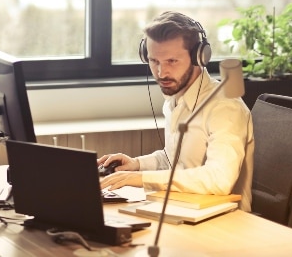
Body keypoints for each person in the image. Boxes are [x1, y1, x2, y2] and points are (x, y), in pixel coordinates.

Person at [98, 11, 254, 211]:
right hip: (182, 207)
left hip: (224, 221)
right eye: (154, 61)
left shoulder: (225, 107)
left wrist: (141, 178)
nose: (161, 73)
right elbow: (175, 160)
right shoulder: (175, 99)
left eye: (172, 61)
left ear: (199, 57)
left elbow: (219, 179)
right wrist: (136, 165)